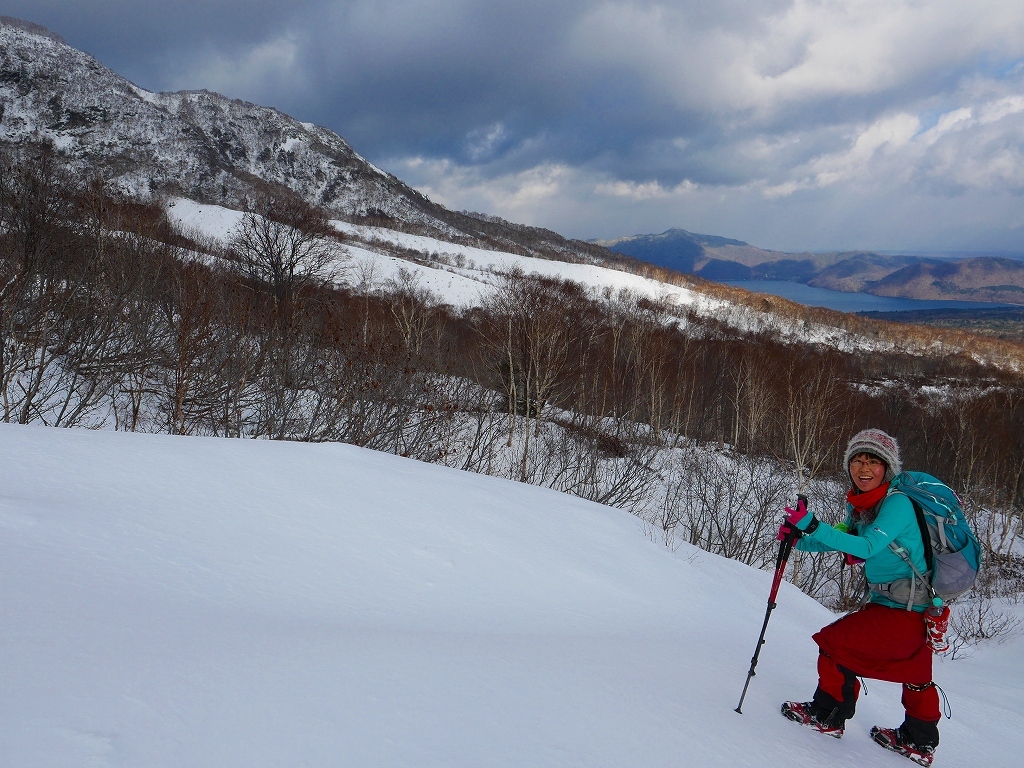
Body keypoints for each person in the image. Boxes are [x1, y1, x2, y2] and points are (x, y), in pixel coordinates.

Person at [778, 428, 942, 767]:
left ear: (888, 468)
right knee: (917, 675)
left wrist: (812, 526)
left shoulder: (898, 504)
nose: (863, 468)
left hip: (907, 609)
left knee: (835, 644)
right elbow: (840, 539)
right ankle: (918, 741)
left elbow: (867, 547)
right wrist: (800, 537)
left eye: (872, 461)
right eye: (856, 460)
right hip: (901, 605)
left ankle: (828, 715)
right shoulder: (863, 506)